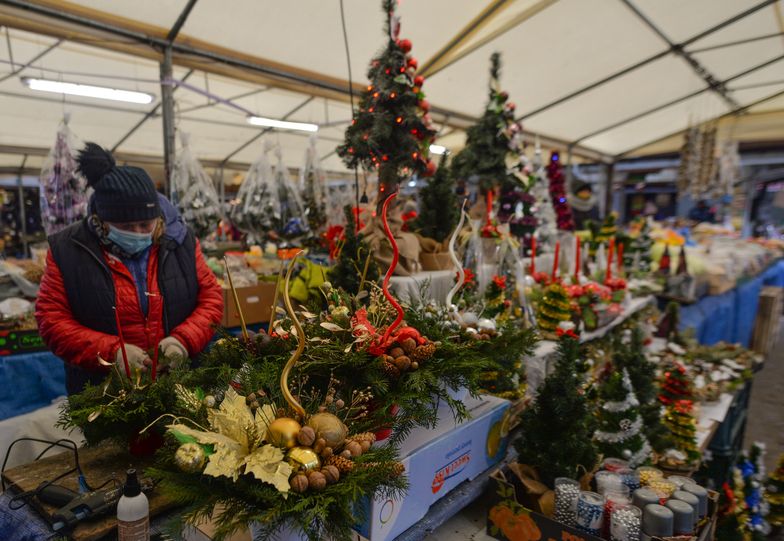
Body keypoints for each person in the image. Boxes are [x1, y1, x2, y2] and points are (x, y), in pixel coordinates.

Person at [36, 143, 223, 395]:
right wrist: (112, 353)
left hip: (179, 383)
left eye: (146, 224)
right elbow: (52, 319)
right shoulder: (68, 250)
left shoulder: (181, 242)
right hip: (105, 392)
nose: (137, 233)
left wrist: (184, 340)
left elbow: (211, 298)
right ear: (101, 220)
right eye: (125, 225)